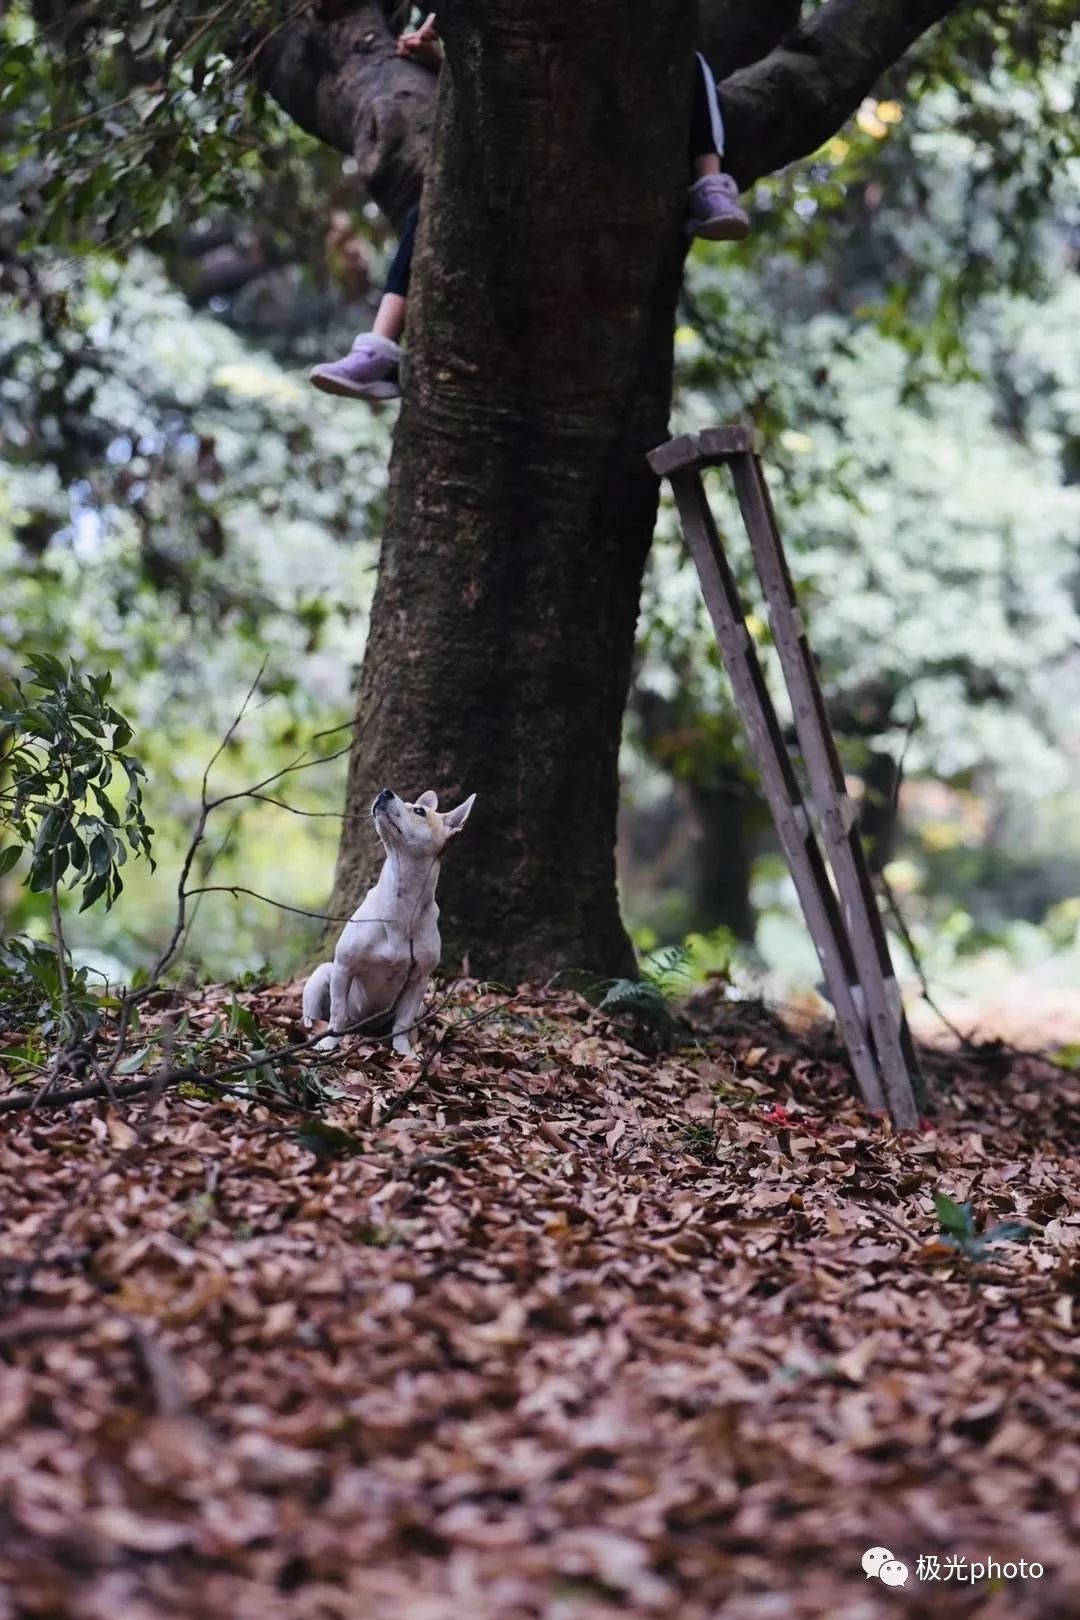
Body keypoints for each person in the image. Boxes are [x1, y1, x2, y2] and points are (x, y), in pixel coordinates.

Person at [309, 19, 749, 403]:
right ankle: (379, 349)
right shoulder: (512, 38)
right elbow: (506, 91)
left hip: (604, 158)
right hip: (527, 167)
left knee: (688, 62)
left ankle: (709, 185)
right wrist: (439, 56)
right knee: (424, 216)